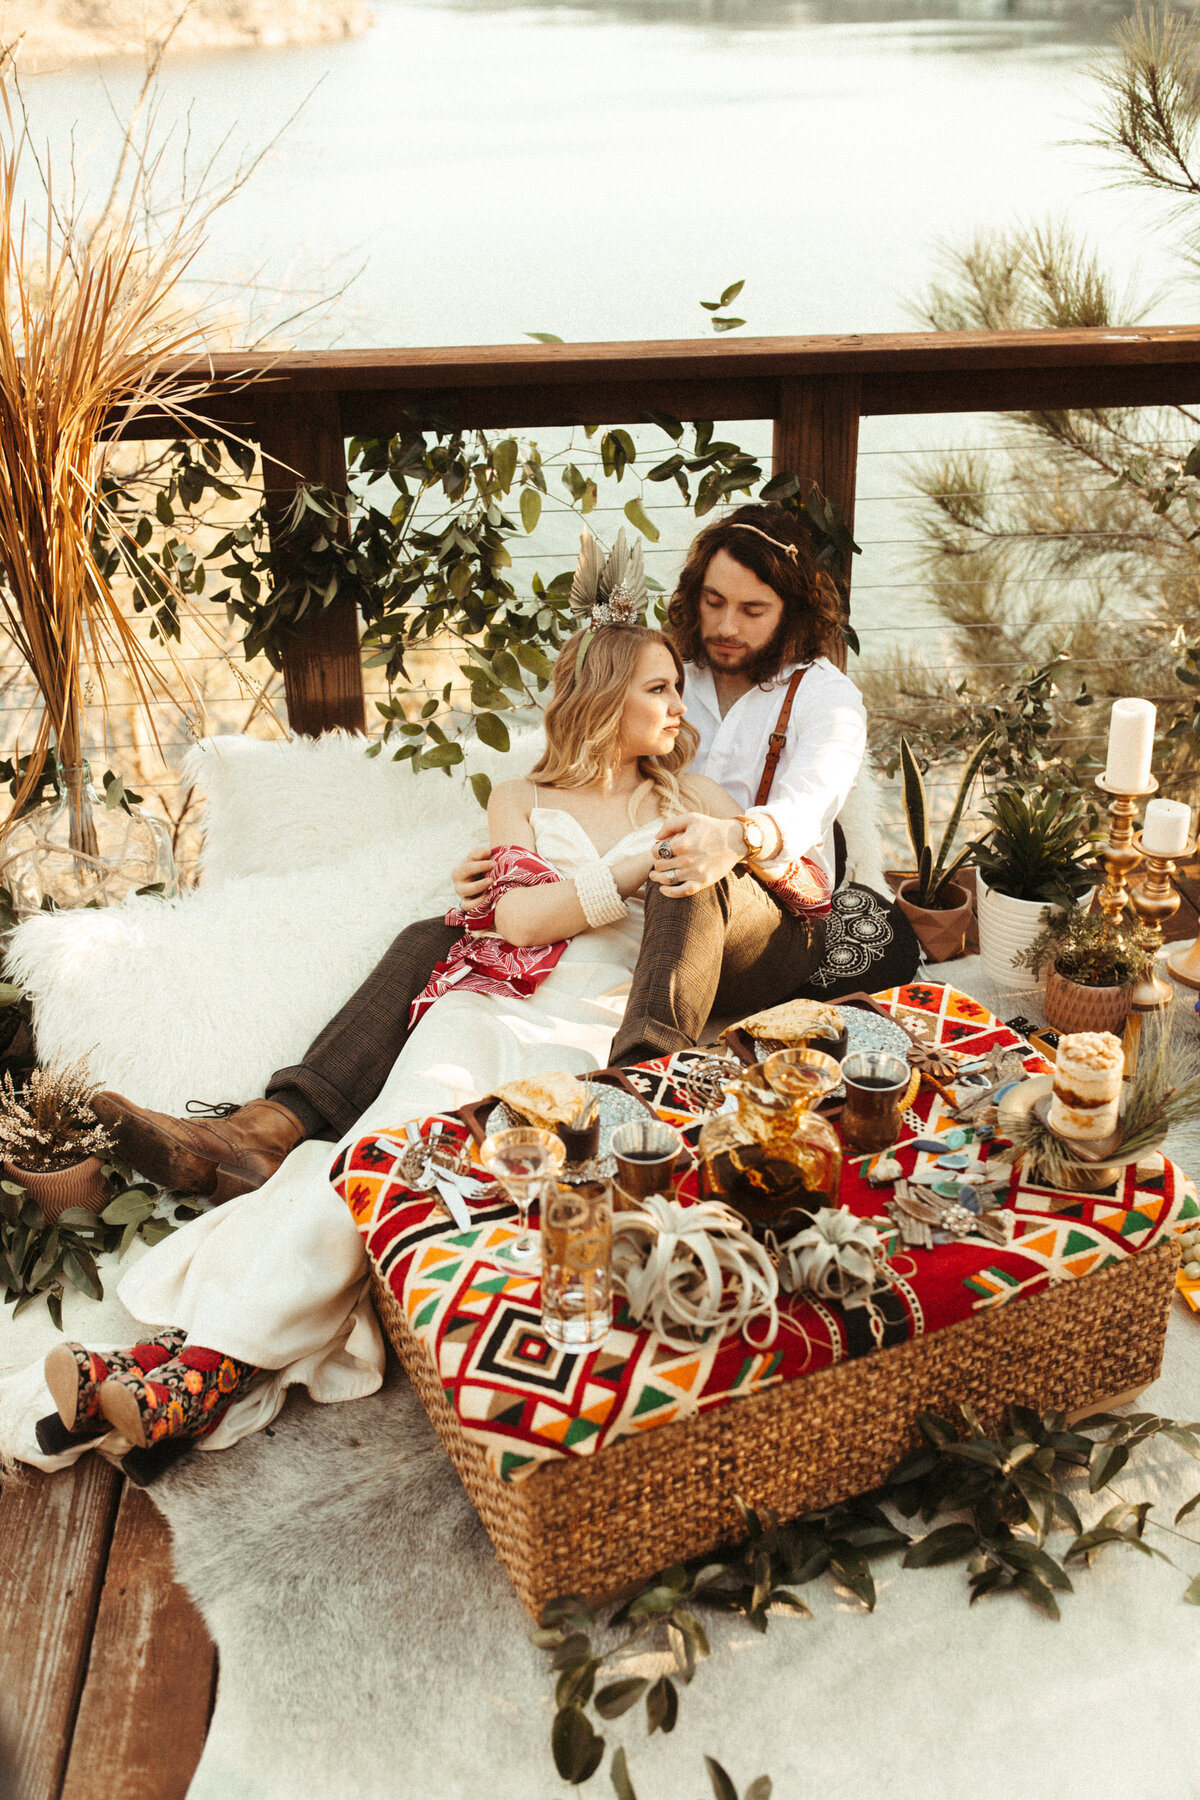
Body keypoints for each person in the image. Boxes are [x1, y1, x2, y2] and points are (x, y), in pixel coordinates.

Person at [27, 610, 834, 1470]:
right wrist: (626, 868)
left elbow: (773, 901)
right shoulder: (523, 797)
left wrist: (731, 847)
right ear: (604, 696)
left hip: (595, 1026)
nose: (681, 707)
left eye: (679, 687)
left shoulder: (697, 801)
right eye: (660, 688)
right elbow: (520, 918)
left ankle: (197, 1369)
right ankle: (190, 1363)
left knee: (433, 1168)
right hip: (489, 999)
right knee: (376, 1153)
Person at [90, 504, 868, 1207]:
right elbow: (588, 746)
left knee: (679, 865)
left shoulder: (822, 698)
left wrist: (728, 836)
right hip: (649, 898)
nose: (726, 624)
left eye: (753, 610)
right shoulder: (672, 664)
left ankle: (643, 1087)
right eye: (713, 602)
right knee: (440, 933)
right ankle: (263, 1128)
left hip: (769, 909)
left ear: (792, 615)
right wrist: (497, 867)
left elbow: (798, 812)